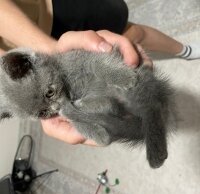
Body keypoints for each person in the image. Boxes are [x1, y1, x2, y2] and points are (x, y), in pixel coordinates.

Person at [0, 0, 199, 145]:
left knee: (133, 32)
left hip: (44, 11)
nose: (54, 106)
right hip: (26, 63)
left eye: (50, 94)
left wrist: (50, 49)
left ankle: (183, 50)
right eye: (43, 113)